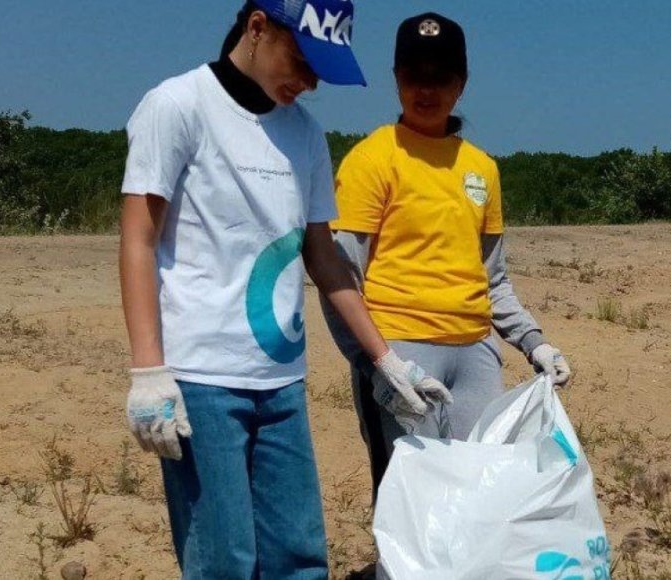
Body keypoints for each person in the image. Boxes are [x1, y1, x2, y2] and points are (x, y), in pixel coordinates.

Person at [119, 1, 450, 576]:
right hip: (201, 378)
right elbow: (138, 240)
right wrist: (149, 370)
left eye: (320, 71)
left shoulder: (305, 134)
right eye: (301, 61)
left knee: (298, 557)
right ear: (257, 27)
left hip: (281, 382)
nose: (309, 82)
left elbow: (324, 259)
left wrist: (386, 360)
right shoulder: (177, 106)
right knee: (224, 559)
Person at [320, 11, 572, 495]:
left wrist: (534, 342)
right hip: (401, 351)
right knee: (410, 499)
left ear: (462, 83)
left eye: (441, 77)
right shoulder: (372, 159)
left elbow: (493, 279)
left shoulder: (482, 169)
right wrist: (377, 365)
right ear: (396, 77)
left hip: (476, 355)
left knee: (475, 493)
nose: (426, 89)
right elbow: (340, 278)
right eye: (414, 75)